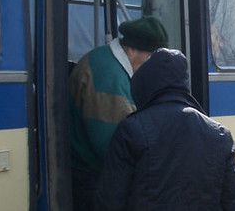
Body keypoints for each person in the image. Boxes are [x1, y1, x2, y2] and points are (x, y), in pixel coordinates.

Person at [95, 48, 235, 210]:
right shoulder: (220, 136)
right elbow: (232, 203)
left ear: (146, 82)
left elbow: (110, 200)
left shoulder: (131, 130)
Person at [68, 16, 169, 211]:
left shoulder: (106, 60)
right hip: (90, 179)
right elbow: (115, 147)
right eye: (149, 59)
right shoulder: (109, 77)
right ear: (131, 50)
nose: (152, 67)